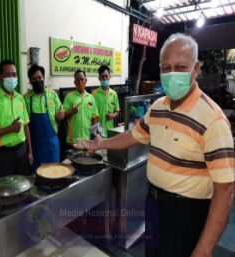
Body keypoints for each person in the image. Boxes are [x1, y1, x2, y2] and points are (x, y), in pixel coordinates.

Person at [83, 33, 234, 257]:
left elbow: (225, 189)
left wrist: (204, 249)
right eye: (166, 67)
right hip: (153, 202)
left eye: (180, 67)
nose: (172, 74)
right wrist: (101, 144)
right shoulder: (158, 107)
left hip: (185, 213)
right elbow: (133, 136)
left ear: (196, 69)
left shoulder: (213, 119)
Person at [0, 60, 33, 179]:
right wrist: (10, 128)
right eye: (8, 74)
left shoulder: (20, 98)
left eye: (14, 74)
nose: (12, 77)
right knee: (4, 191)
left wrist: (30, 151)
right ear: (0, 76)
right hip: (2, 155)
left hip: (21, 151)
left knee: (22, 186)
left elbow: (26, 126)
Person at [24, 64, 64, 172]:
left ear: (43, 78)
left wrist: (61, 116)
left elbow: (60, 115)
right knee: (37, 175)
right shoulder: (26, 99)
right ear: (30, 81)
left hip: (52, 145)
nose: (37, 80)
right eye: (34, 79)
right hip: (35, 147)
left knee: (54, 173)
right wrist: (29, 151)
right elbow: (25, 126)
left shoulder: (53, 95)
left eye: (39, 78)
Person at [63, 69, 99, 147]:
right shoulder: (69, 97)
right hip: (73, 140)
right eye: (77, 80)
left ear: (86, 81)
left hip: (87, 139)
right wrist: (72, 112)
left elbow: (95, 117)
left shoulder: (91, 97)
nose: (80, 82)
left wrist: (93, 135)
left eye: (82, 80)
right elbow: (63, 115)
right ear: (74, 82)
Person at [92, 65, 120, 137]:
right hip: (98, 133)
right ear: (99, 78)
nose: (104, 79)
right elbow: (91, 114)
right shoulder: (94, 94)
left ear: (110, 77)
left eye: (106, 76)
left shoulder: (114, 94)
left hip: (110, 131)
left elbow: (117, 111)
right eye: (102, 77)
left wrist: (113, 115)